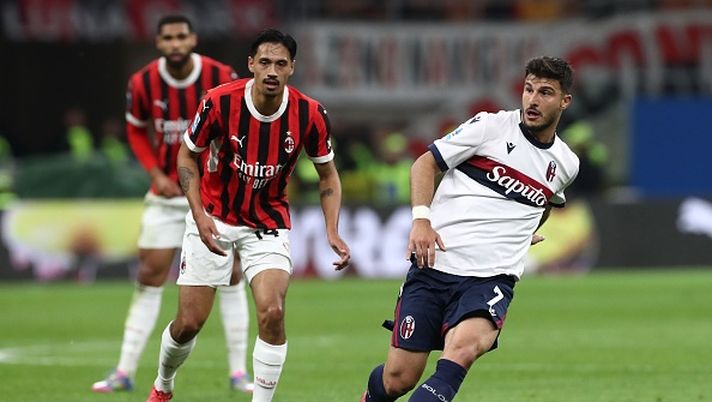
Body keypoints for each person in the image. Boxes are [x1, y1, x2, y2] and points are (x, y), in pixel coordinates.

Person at [145, 29, 351, 402]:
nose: (272, 70)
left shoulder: (311, 114)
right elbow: (187, 155)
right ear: (251, 65)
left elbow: (328, 174)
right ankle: (163, 385)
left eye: (281, 64)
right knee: (189, 323)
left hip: (267, 225)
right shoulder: (219, 102)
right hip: (213, 217)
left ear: (292, 69)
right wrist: (198, 214)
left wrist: (332, 229)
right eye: (266, 62)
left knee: (272, 311)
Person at [359, 56, 579, 402]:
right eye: (528, 89)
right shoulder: (489, 127)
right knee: (399, 379)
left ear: (565, 101)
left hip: (491, 278)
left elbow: (546, 203)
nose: (533, 100)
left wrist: (525, 229)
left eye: (545, 93)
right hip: (435, 267)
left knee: (461, 351)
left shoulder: (566, 163)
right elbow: (424, 164)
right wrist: (421, 219)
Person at [92, 15, 254, 394]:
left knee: (230, 275)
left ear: (193, 39)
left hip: (213, 196)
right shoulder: (143, 82)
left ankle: (237, 373)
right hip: (166, 196)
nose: (176, 43)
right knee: (150, 272)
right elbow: (135, 127)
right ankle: (124, 370)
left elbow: (238, 123)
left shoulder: (219, 74)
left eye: (182, 36)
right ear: (158, 43)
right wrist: (154, 172)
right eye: (168, 38)